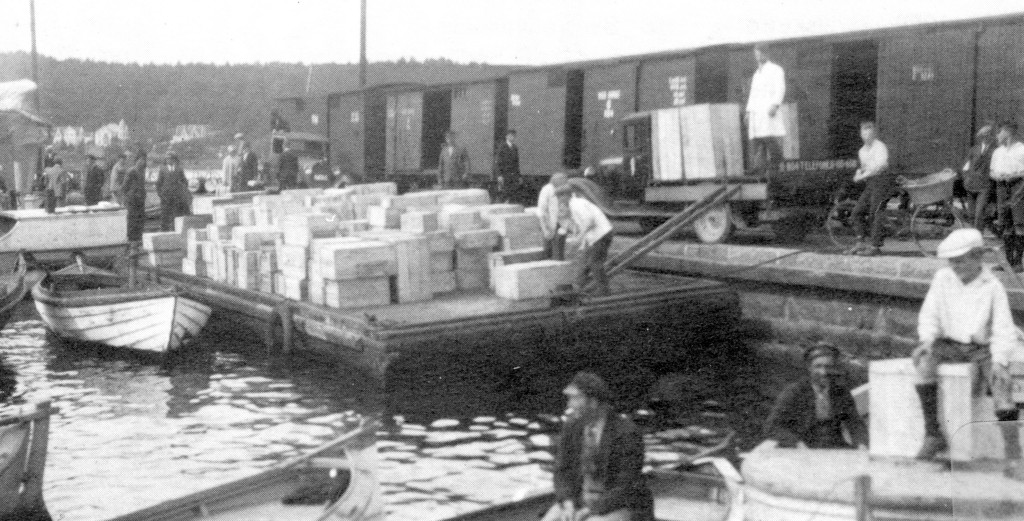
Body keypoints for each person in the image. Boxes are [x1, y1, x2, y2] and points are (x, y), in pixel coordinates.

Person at [912, 228, 1023, 478]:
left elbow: (1003, 328)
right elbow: (930, 313)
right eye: (952, 261)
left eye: (961, 261)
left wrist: (1000, 361)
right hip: (948, 343)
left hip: (980, 349)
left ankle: (1014, 455)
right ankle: (933, 434)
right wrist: (927, 339)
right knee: (923, 367)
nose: (955, 266)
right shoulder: (942, 278)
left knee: (1002, 388)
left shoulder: (993, 286)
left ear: (977, 257)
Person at [542, 372, 653, 521]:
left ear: (593, 402)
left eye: (575, 399)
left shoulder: (626, 432)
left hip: (620, 506)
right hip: (579, 502)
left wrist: (590, 511)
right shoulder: (572, 426)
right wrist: (568, 503)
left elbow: (625, 487)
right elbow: (562, 471)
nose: (569, 405)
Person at [763, 342, 868, 449]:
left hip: (834, 449)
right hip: (804, 449)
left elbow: (855, 423)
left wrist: (861, 443)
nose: (823, 372)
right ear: (809, 368)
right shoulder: (795, 392)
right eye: (818, 366)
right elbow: (772, 426)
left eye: (828, 367)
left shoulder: (841, 392)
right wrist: (795, 442)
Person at [846, 121, 892, 256]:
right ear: (861, 134)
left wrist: (863, 175)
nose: (866, 136)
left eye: (869, 133)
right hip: (871, 182)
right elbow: (864, 167)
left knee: (875, 212)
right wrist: (858, 174)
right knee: (856, 212)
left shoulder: (880, 147)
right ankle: (860, 242)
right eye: (864, 133)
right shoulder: (862, 151)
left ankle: (875, 246)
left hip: (882, 181)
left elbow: (881, 165)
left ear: (874, 134)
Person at [558, 184, 614, 296]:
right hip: (596, 236)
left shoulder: (577, 204)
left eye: (560, 197)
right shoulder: (574, 205)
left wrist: (579, 238)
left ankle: (604, 291)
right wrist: (581, 245)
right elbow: (583, 226)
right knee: (584, 260)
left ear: (566, 196)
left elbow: (590, 221)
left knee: (595, 263)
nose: (559, 200)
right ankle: (578, 288)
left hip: (601, 234)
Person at [745, 44, 787, 175]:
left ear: (766, 54)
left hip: (768, 111)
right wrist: (748, 111)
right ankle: (759, 170)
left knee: (770, 139)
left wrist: (775, 104)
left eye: (761, 53)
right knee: (759, 141)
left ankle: (779, 168)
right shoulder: (757, 73)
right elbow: (753, 94)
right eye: (757, 54)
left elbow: (780, 88)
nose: (759, 56)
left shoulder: (776, 69)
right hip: (757, 113)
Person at [990, 121, 1024, 271]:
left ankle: (1018, 262)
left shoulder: (1022, 150)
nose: (997, 136)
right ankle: (1008, 262)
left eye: (999, 133)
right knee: (1005, 224)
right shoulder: (998, 152)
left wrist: (1015, 175)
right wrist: (996, 175)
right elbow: (991, 171)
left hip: (1018, 186)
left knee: (1019, 224)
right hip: (1001, 187)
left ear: (1007, 133)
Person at [961, 122, 997, 231]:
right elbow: (966, 166)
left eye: (989, 134)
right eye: (984, 134)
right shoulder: (974, 150)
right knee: (971, 214)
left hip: (985, 186)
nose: (986, 137)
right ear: (980, 136)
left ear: (992, 136)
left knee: (979, 214)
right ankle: (973, 238)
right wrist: (966, 178)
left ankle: (978, 238)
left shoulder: (995, 150)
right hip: (971, 184)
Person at [156, 152, 192, 231]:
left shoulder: (179, 169)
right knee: (165, 215)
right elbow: (158, 183)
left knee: (176, 215)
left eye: (170, 158)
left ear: (174, 159)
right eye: (167, 158)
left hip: (177, 197)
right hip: (166, 197)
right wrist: (161, 194)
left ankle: (175, 230)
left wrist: (181, 192)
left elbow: (184, 181)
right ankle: (163, 231)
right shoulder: (162, 169)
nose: (168, 160)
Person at [538, 172, 569, 260]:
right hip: (548, 222)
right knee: (548, 250)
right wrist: (545, 229)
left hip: (562, 223)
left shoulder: (566, 189)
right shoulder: (546, 190)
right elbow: (541, 211)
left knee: (559, 252)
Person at [121, 147, 148, 245]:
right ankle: (132, 239)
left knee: (140, 219)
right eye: (141, 160)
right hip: (132, 200)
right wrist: (128, 197)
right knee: (132, 219)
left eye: (144, 160)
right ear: (137, 160)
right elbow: (124, 187)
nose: (143, 162)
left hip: (140, 199)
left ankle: (138, 238)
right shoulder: (131, 171)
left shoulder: (141, 172)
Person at [494, 129, 521, 204]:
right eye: (510, 135)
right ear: (506, 136)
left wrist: (519, 176)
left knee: (512, 194)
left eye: (514, 136)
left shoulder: (515, 148)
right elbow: (498, 162)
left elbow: (516, 163)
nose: (512, 137)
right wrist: (499, 175)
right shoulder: (502, 147)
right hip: (504, 175)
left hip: (513, 175)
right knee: (504, 193)